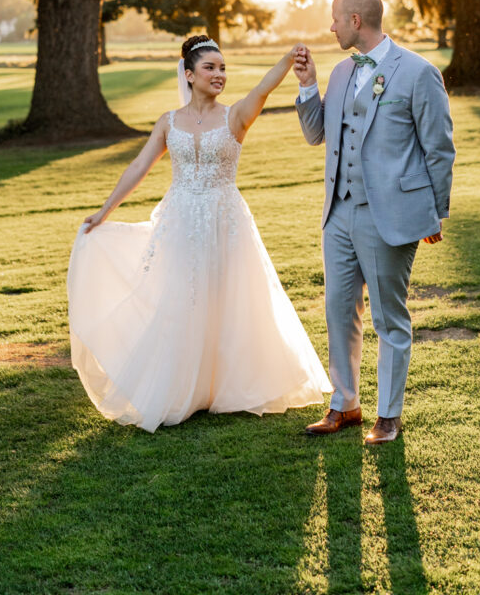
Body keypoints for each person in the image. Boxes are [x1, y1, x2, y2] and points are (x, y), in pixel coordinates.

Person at [67, 35, 331, 432]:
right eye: (210, 68)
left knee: (225, 299)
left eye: (223, 68)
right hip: (179, 220)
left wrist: (289, 57)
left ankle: (222, 386)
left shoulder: (236, 116)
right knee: (180, 298)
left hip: (225, 219)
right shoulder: (168, 122)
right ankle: (183, 389)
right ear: (189, 75)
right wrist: (105, 211)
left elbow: (262, 87)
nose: (219, 74)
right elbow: (139, 167)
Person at [293, 0, 455, 444]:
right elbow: (316, 134)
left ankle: (389, 415)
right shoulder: (343, 72)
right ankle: (344, 405)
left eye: (335, 20)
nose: (331, 27)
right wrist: (309, 86)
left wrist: (434, 213)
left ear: (356, 20)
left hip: (390, 215)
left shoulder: (419, 73)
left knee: (388, 317)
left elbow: (439, 149)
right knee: (338, 311)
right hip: (338, 214)